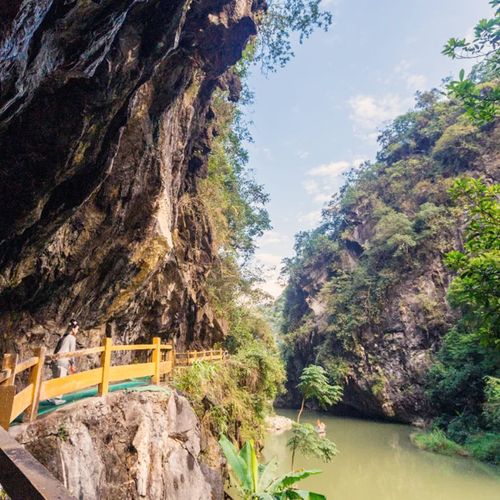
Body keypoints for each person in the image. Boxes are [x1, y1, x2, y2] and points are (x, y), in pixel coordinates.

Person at [49, 319, 79, 405]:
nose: (77, 331)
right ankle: (57, 399)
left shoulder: (63, 337)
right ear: (73, 329)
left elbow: (56, 350)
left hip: (55, 361)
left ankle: (52, 396)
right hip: (62, 362)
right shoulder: (72, 338)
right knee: (61, 380)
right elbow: (71, 353)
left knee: (56, 379)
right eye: (77, 329)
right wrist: (73, 364)